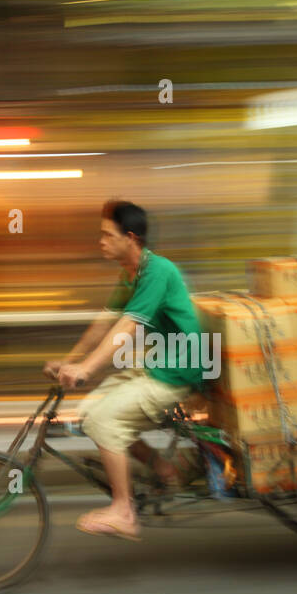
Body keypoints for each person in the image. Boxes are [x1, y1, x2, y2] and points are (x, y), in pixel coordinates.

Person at [44, 200, 206, 541]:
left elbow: (127, 327)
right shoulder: (130, 274)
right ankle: (164, 468)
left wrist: (86, 369)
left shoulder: (157, 272)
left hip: (179, 372)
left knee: (106, 421)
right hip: (157, 365)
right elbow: (105, 323)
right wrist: (70, 361)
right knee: (89, 412)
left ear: (130, 238)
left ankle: (124, 512)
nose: (100, 241)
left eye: (107, 234)